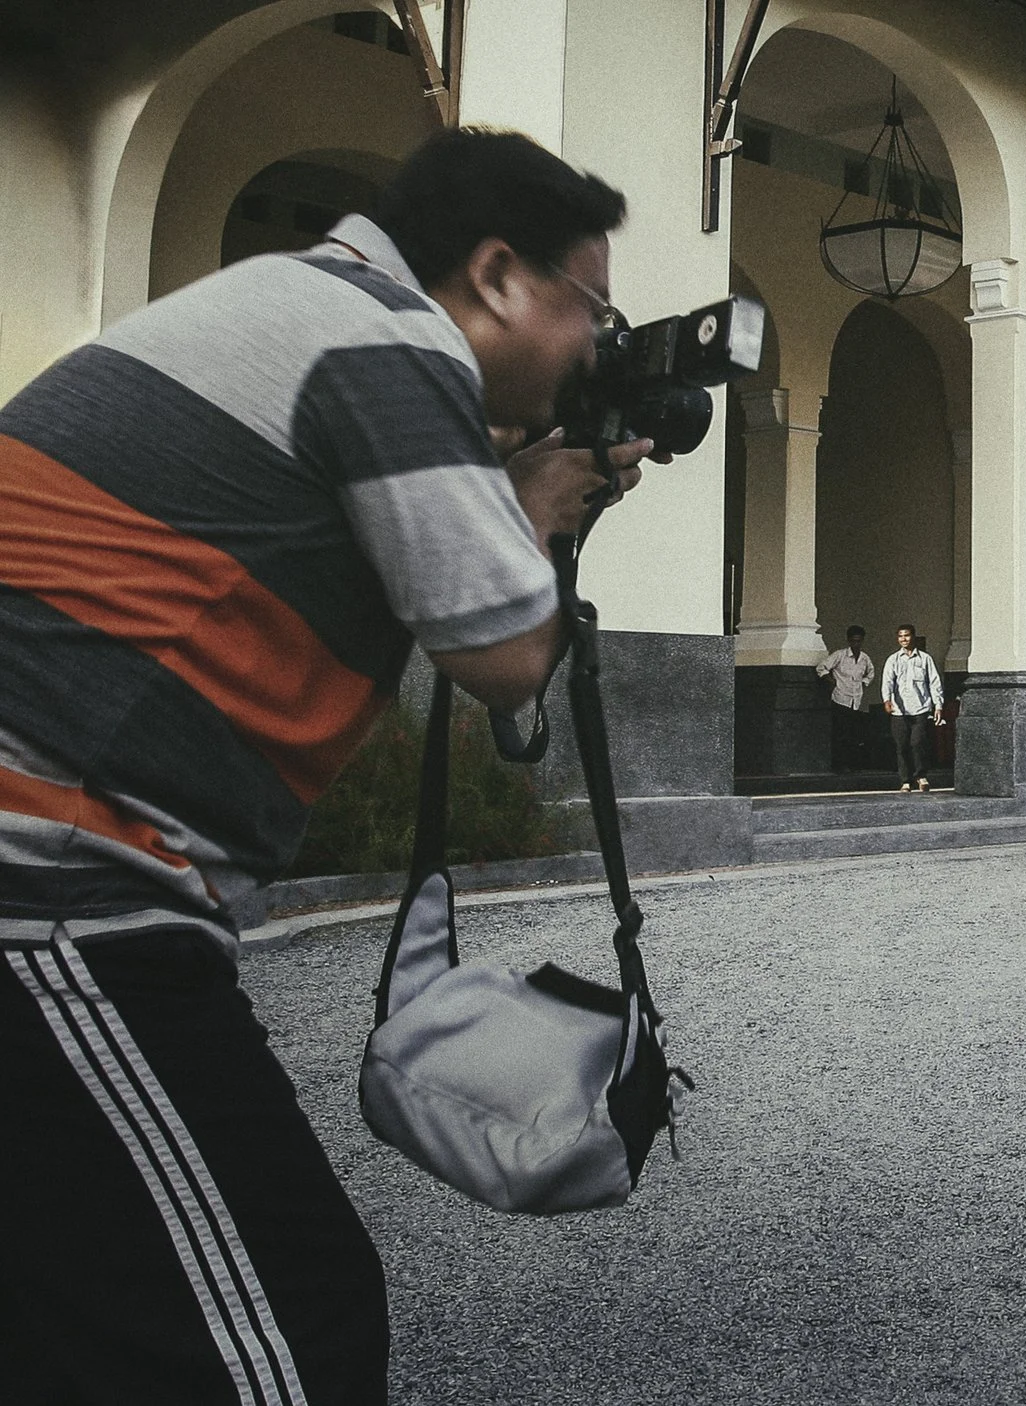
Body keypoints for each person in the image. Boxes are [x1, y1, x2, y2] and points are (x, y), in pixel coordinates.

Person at [0, 127, 654, 1403]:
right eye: (596, 308)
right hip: (55, 883)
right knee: (285, 1328)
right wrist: (538, 501)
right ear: (499, 274)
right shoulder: (388, 336)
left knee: (75, 1328)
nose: (597, 346)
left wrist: (510, 482)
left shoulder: (299, 307)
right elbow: (509, 653)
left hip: (56, 877)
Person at [881, 623, 946, 792]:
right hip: (899, 711)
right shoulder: (893, 660)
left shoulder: (925, 659)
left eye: (907, 635)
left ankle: (921, 776)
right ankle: (905, 780)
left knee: (917, 743)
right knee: (901, 746)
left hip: (920, 709)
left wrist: (938, 706)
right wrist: (887, 700)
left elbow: (934, 682)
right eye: (901, 636)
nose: (904, 639)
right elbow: (887, 682)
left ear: (913, 637)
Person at [814, 624, 877, 774]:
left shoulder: (864, 658)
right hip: (840, 698)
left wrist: (864, 683)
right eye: (853, 641)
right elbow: (821, 667)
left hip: (856, 700)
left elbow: (871, 673)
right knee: (840, 734)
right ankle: (840, 765)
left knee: (853, 734)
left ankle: (853, 764)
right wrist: (831, 681)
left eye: (859, 641)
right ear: (849, 641)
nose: (856, 644)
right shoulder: (840, 655)